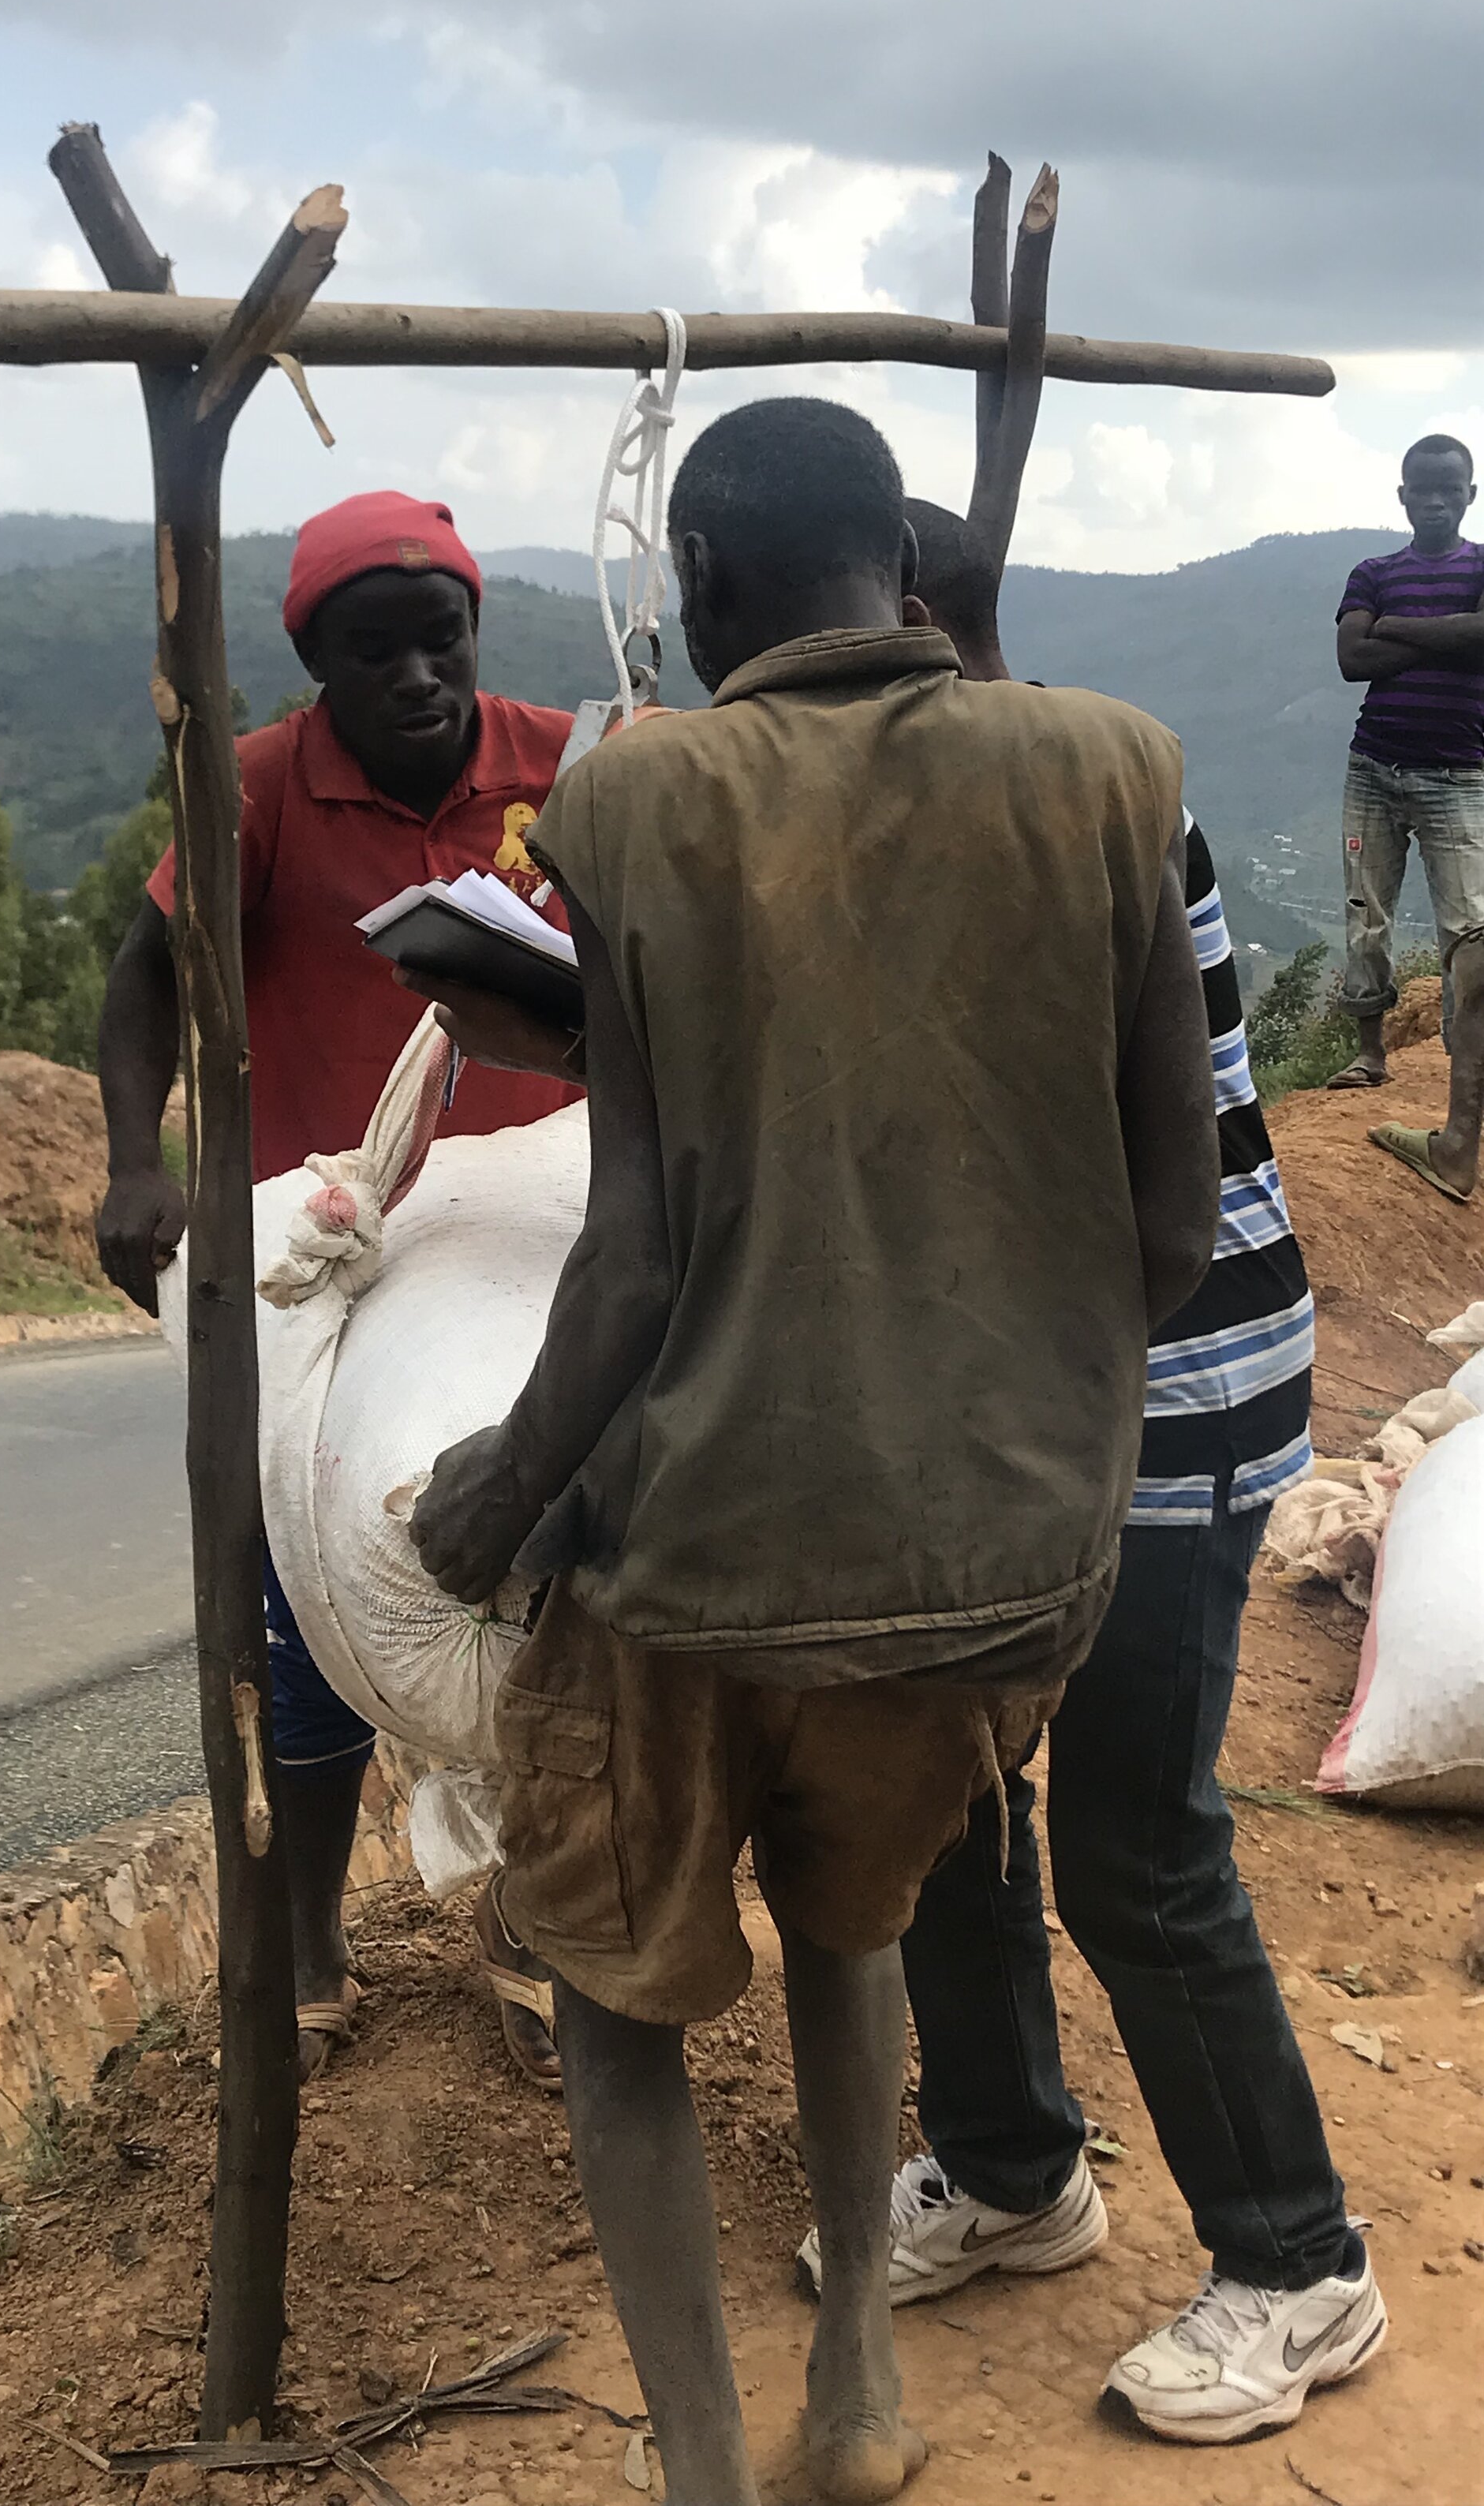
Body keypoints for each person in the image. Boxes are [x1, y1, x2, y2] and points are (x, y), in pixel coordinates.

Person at [408, 398, 1220, 2506]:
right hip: (1000, 1564)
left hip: (706, 1567)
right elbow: (1165, 1223)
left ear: (699, 582)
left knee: (612, 1994)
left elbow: (638, 1251)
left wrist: (486, 1503)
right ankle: (855, 2375)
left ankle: (697, 2465)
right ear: (910, 578)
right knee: (852, 1934)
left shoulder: (642, 790)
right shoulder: (1113, 769)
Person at [787, 499, 1387, 2449]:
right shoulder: (931, 816)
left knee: (1135, 1841)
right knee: (949, 1789)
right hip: (995, 1407)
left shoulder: (1088, 813)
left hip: (1165, 1388)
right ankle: (1014, 2168)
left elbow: (1124, 1197)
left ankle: (1302, 2267)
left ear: (929, 639)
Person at [94, 488, 583, 2090]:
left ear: (472, 635)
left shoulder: (565, 767)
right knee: (295, 1613)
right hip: (333, 1254)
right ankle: (306, 1940)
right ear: (312, 661)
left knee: (534, 1583)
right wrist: (136, 1157)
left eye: (438, 640)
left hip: (524, 1247)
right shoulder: (255, 793)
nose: (418, 679)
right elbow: (146, 978)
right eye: (373, 654)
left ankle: (525, 1910)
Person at [1326, 436, 1484, 1206]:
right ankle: (1368, 1055)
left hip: (1460, 777)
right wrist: (1447, 636)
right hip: (1372, 771)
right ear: (1400, 495)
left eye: (1448, 488)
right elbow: (1349, 660)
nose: (1434, 499)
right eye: (1421, 488)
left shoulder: (1479, 566)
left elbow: (1477, 639)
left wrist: (1394, 631)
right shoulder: (1372, 572)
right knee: (1365, 914)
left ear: (1469, 494)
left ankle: (1462, 1105)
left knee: (1469, 939)